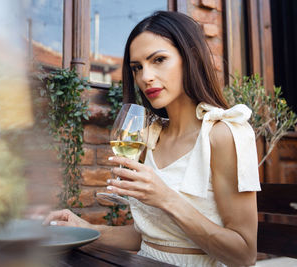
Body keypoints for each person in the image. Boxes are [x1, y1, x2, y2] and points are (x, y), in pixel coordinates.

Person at [44, 11, 261, 267]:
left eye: (158, 60)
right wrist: (84, 229)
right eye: (137, 67)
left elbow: (245, 254)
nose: (145, 77)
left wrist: (166, 198)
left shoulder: (222, 134)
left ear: (189, 58)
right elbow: (147, 236)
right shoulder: (151, 137)